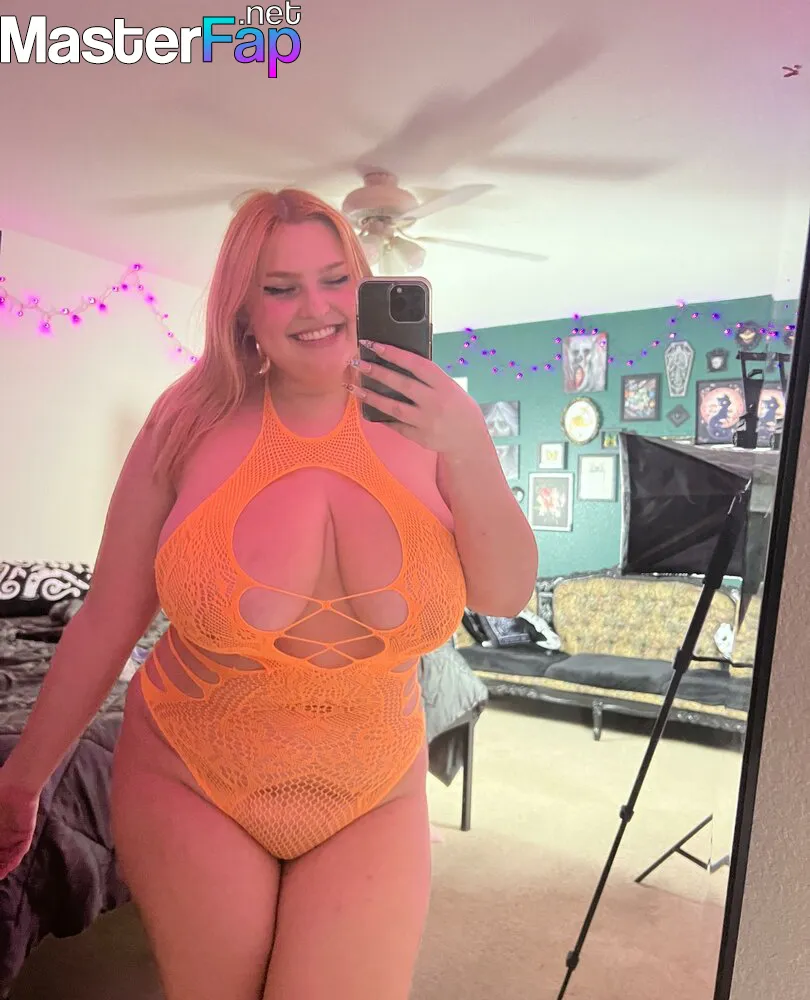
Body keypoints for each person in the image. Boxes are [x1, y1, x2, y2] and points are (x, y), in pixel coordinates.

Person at [0, 189, 538, 999]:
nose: (315, 307)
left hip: (372, 788)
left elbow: (503, 593)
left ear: (363, 283)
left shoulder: (435, 421)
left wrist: (466, 445)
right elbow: (109, 614)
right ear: (243, 311)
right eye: (281, 288)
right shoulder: (186, 421)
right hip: (189, 772)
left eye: (335, 279)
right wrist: (22, 780)